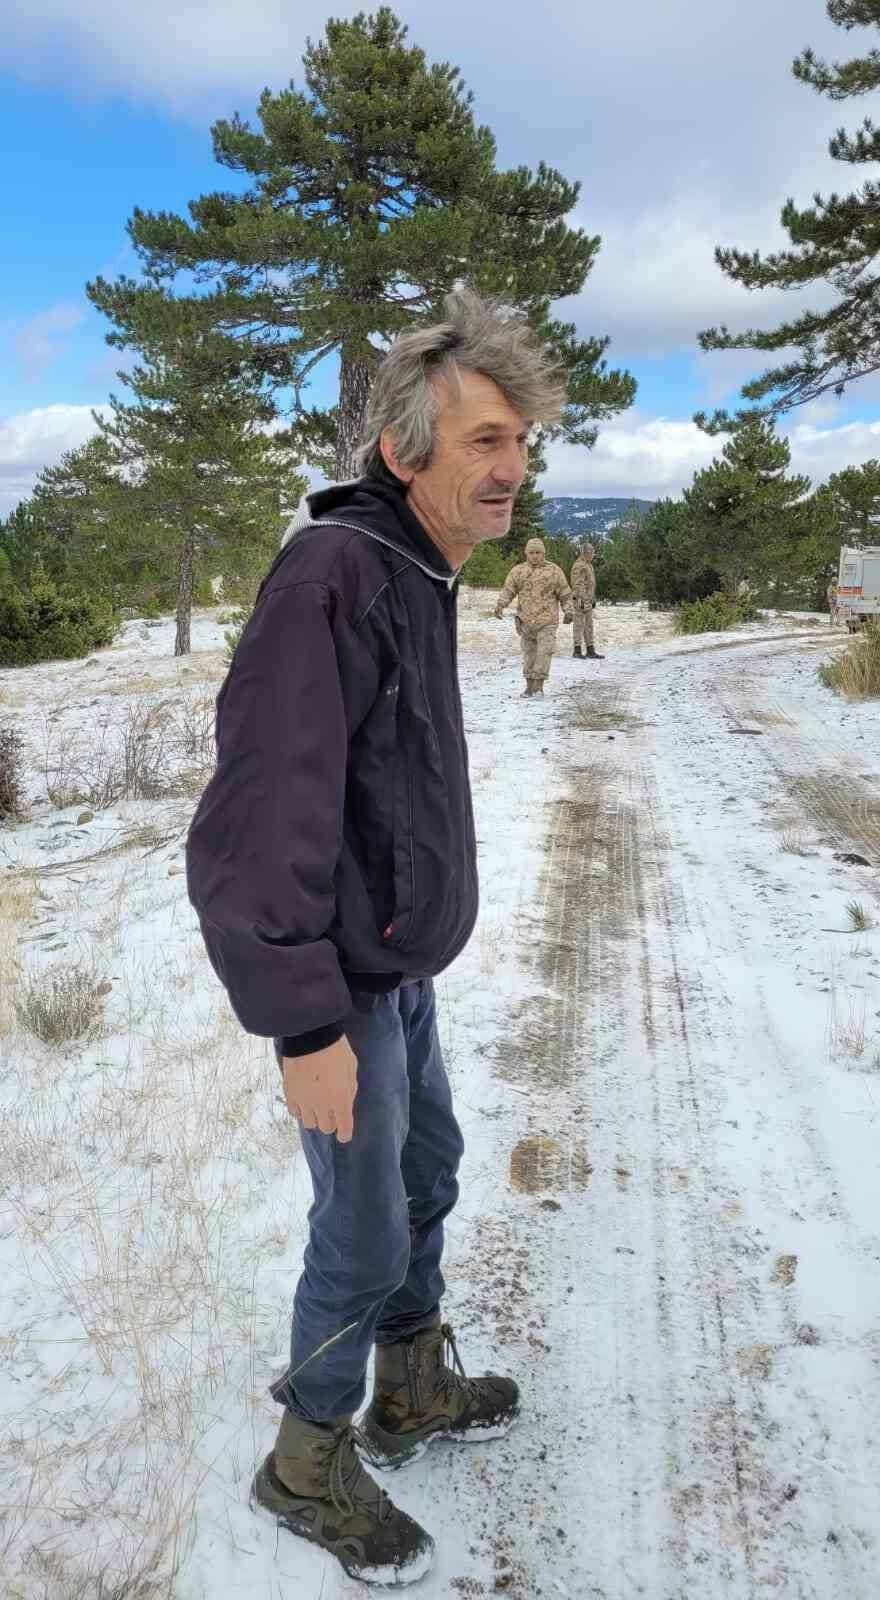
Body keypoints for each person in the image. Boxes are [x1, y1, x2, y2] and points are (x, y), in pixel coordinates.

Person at [185, 289, 564, 1587]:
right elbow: (260, 818)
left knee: (426, 1173)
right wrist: (304, 1024)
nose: (512, 467)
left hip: (395, 965)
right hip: (339, 982)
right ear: (405, 450)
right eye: (484, 441)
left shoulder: (415, 570)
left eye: (522, 441)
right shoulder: (334, 575)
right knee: (360, 1228)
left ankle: (409, 1387)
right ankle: (305, 1461)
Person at [494, 537, 574, 695]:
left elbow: (565, 593)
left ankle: (539, 686)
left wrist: (569, 610)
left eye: (538, 552)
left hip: (547, 620)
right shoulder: (518, 571)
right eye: (531, 553)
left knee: (544, 652)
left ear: (544, 553)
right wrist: (501, 605)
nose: (535, 556)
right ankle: (529, 686)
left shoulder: (554, 571)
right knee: (529, 654)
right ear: (526, 553)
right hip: (526, 621)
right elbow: (509, 589)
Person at [569, 540, 604, 660]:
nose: (593, 555)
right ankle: (577, 650)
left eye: (593, 552)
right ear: (585, 553)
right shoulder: (579, 565)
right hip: (580, 600)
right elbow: (577, 584)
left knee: (589, 625)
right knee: (579, 625)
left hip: (588, 600)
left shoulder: (588, 565)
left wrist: (592, 598)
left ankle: (590, 650)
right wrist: (583, 599)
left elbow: (590, 584)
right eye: (591, 553)